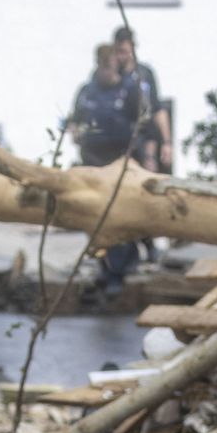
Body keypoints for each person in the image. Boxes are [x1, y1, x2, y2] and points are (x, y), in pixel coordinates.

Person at [68, 45, 143, 296]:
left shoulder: (129, 90)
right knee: (97, 215)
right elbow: (74, 119)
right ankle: (105, 266)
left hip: (119, 159)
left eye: (110, 66)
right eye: (103, 66)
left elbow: (143, 121)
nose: (106, 71)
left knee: (119, 214)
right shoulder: (87, 91)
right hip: (92, 158)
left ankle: (119, 271)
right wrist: (75, 131)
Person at [113, 27, 169, 262]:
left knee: (145, 195)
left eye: (125, 51)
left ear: (133, 48)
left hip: (145, 145)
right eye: (119, 52)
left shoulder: (145, 75)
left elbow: (157, 109)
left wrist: (166, 142)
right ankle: (128, 251)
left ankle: (149, 244)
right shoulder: (113, 76)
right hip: (119, 147)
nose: (122, 56)